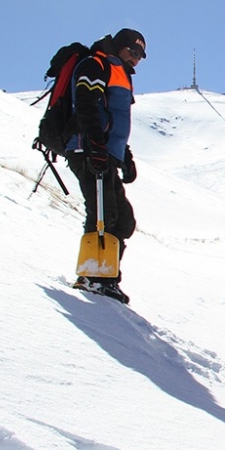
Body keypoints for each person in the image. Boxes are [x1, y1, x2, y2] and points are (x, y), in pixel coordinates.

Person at [66, 28, 146, 303]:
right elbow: (86, 105)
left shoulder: (119, 73)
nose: (136, 59)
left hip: (106, 153)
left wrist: (125, 156)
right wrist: (96, 146)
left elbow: (113, 118)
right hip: (87, 149)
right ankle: (93, 278)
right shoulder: (95, 64)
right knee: (103, 212)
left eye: (141, 56)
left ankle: (106, 275)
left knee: (123, 220)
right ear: (121, 47)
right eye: (133, 52)